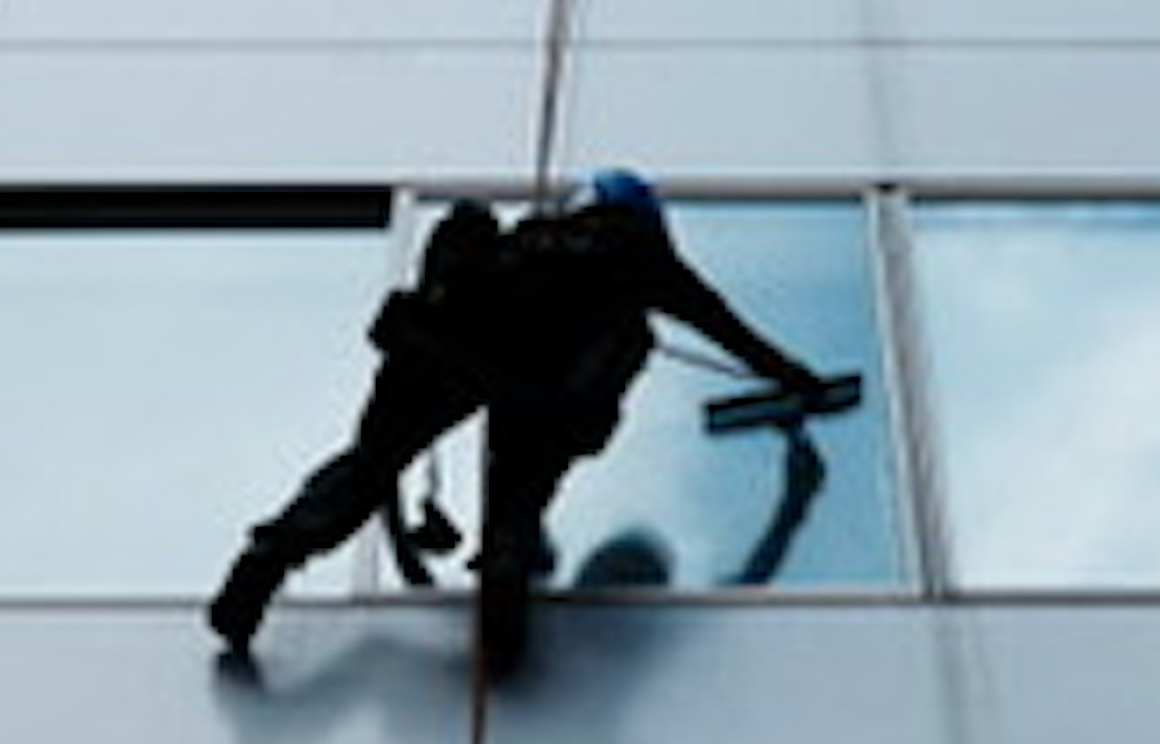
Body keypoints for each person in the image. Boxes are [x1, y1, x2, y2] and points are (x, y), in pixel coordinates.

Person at [207, 170, 832, 674]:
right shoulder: (642, 260)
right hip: (546, 389)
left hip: (450, 348)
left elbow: (388, 446)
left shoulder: (525, 240)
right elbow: (728, 329)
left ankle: (272, 552)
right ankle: (503, 582)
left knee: (367, 466)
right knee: (518, 495)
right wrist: (796, 381)